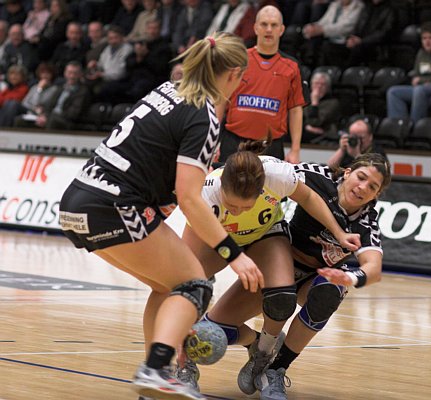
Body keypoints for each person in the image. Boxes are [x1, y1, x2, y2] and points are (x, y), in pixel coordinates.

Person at [58, 32, 254, 400]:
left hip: (76, 202)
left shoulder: (170, 89)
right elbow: (190, 197)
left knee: (168, 287)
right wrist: (234, 254)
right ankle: (156, 368)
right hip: (114, 204)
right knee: (195, 285)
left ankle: (155, 379)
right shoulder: (204, 113)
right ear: (234, 73)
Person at [177, 140, 361, 393]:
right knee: (186, 291)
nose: (240, 212)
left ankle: (263, 355)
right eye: (233, 206)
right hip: (218, 239)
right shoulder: (206, 193)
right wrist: (233, 258)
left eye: (247, 206)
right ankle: (184, 367)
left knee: (282, 298)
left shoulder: (277, 175)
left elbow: (308, 196)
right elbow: (184, 269)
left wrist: (339, 233)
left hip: (266, 234)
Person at [204, 153, 391, 400]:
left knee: (328, 292)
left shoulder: (366, 222)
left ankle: (275, 369)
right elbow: (267, 171)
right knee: (214, 331)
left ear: (377, 194)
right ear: (347, 172)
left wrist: (351, 278)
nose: (363, 188)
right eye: (361, 177)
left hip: (315, 278)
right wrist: (216, 170)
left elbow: (373, 269)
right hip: (277, 262)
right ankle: (256, 343)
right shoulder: (315, 176)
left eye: (372, 187)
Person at [218, 5, 308, 164]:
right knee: (227, 189)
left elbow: (295, 110)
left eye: (274, 25)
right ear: (255, 28)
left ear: (281, 30)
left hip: (271, 146)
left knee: (269, 190)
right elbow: (221, 100)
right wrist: (213, 141)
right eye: (264, 24)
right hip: (233, 141)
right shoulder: (238, 60)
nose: (268, 29)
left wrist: (295, 150)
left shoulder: (292, 67)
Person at [386, 22, 431, 122]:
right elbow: (416, 74)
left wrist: (421, 80)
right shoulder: (421, 53)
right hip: (424, 87)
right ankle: (399, 126)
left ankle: (416, 127)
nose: (427, 42)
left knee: (419, 90)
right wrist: (423, 81)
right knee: (393, 92)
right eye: (424, 38)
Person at [14, 61, 90, 130]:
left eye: (75, 73)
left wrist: (48, 117)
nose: (72, 76)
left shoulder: (82, 91)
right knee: (20, 120)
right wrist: (44, 116)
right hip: (50, 117)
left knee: (52, 121)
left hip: (66, 121)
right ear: (65, 73)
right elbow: (50, 105)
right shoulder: (60, 88)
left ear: (80, 74)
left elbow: (73, 114)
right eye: (70, 73)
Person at [302, 71, 340, 144]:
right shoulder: (303, 100)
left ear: (328, 88)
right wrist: (306, 127)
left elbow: (315, 122)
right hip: (304, 135)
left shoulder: (333, 103)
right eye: (316, 83)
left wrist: (314, 103)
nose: (319, 87)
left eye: (323, 84)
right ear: (311, 85)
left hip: (324, 137)